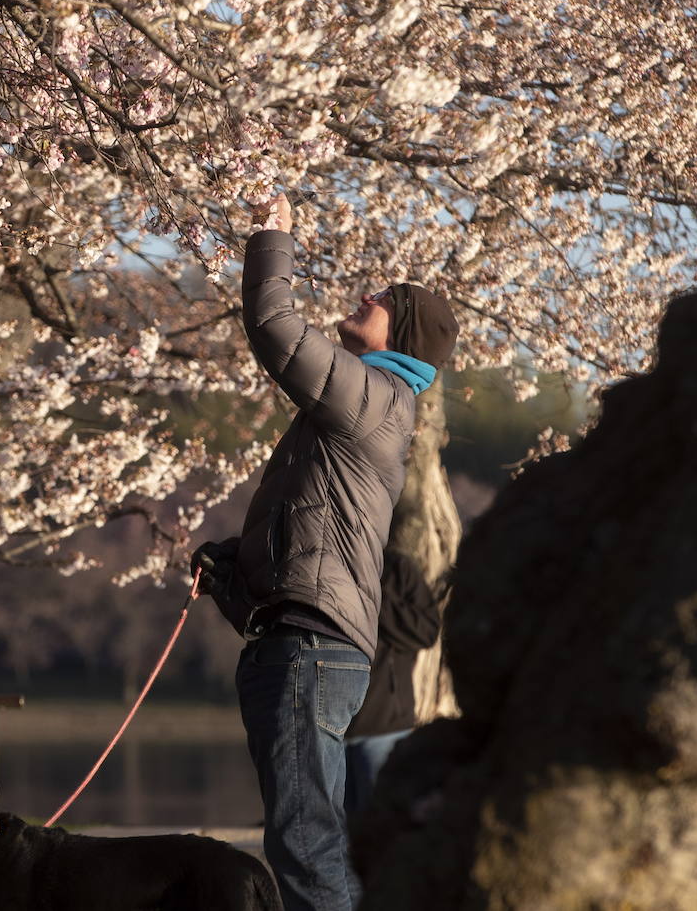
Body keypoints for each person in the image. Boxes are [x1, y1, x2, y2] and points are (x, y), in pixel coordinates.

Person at [192, 192, 459, 911]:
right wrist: (229, 573)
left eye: (387, 299)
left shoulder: (376, 396)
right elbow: (303, 548)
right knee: (306, 839)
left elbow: (275, 326)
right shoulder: (361, 409)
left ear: (400, 335)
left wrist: (273, 235)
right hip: (303, 646)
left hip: (311, 651)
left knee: (307, 845)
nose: (368, 293)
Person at [343, 548, 443, 818]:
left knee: (385, 821)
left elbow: (427, 631)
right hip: (332, 725)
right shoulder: (331, 564)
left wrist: (378, 597)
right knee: (339, 834)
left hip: (385, 726)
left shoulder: (398, 568)